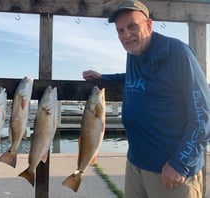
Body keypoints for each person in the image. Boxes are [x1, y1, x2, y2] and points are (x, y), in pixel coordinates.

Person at [83, 0, 210, 197]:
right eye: (120, 31)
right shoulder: (134, 54)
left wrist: (180, 163)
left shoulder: (178, 54)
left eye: (132, 26)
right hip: (135, 163)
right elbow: (138, 79)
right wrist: (104, 78)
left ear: (149, 25)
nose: (126, 35)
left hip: (169, 171)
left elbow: (204, 117)